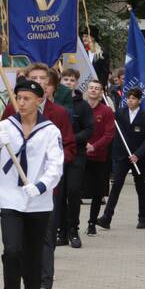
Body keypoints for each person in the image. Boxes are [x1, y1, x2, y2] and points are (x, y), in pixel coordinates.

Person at [0, 79, 64, 289]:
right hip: (10, 200)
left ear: (39, 100)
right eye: (19, 98)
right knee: (12, 252)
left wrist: (40, 186)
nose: (22, 103)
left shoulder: (50, 131)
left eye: (27, 98)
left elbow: (55, 166)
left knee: (33, 257)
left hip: (38, 202)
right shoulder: (5, 126)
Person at [96, 87, 145, 231]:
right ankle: (106, 218)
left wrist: (138, 154)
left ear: (139, 100)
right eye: (129, 98)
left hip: (138, 158)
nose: (130, 101)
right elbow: (109, 119)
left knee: (140, 188)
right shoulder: (120, 113)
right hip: (122, 155)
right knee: (116, 186)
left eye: (133, 98)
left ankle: (143, 218)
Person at [57, 68, 94, 247]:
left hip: (77, 154)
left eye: (72, 80)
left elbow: (89, 129)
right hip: (57, 154)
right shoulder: (55, 103)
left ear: (76, 83)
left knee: (73, 191)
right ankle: (61, 231)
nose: (69, 83)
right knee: (59, 194)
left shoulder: (83, 105)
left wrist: (72, 139)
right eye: (65, 79)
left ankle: (73, 229)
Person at [81, 79, 115, 237]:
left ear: (101, 92)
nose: (93, 90)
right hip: (80, 156)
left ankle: (92, 223)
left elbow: (109, 134)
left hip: (100, 157)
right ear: (87, 90)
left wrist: (95, 146)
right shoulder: (80, 108)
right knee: (75, 191)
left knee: (97, 193)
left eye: (97, 88)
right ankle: (70, 224)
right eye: (91, 88)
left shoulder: (106, 111)